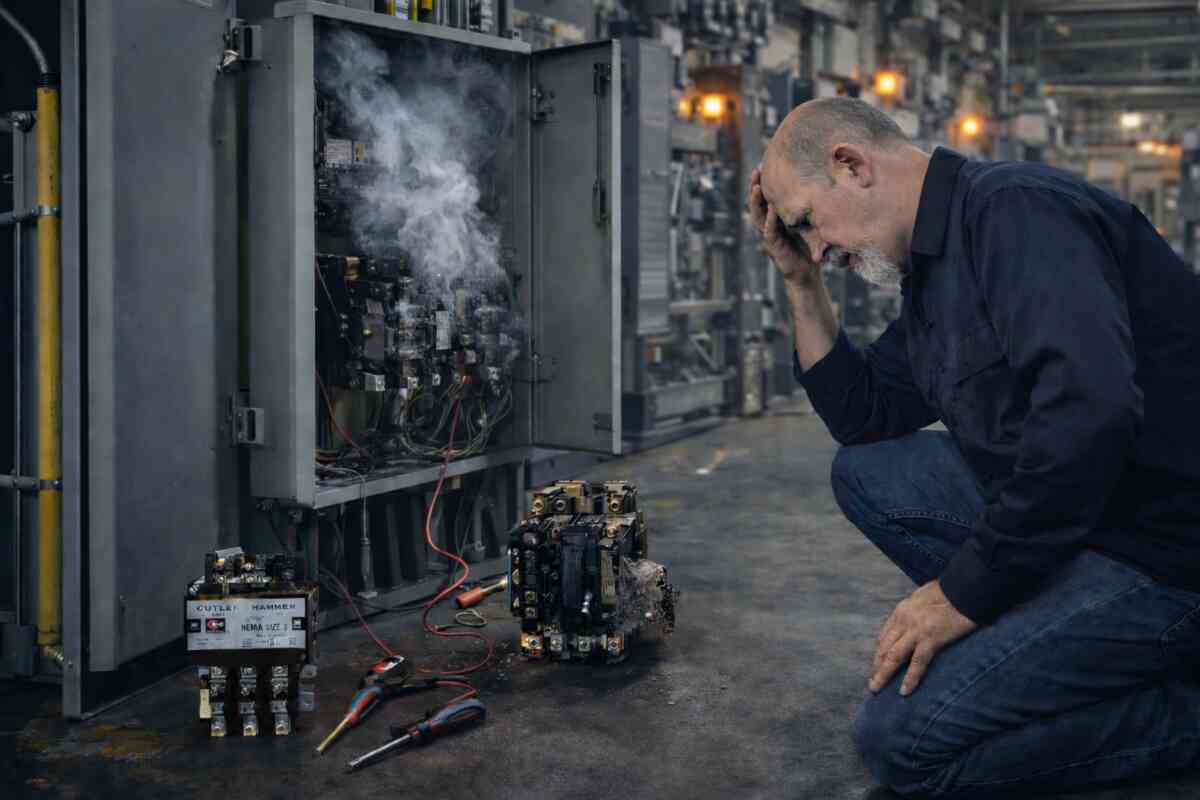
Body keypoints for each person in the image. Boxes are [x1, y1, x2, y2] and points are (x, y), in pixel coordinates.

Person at [749, 96, 1200, 798]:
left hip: (1166, 553)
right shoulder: (934, 270)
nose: (817, 247)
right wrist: (799, 284)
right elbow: (862, 414)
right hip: (1090, 523)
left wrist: (964, 594)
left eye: (807, 221)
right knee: (870, 470)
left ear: (851, 165)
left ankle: (1175, 701)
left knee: (901, 743)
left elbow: (1091, 418)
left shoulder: (1016, 214)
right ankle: (1056, 629)